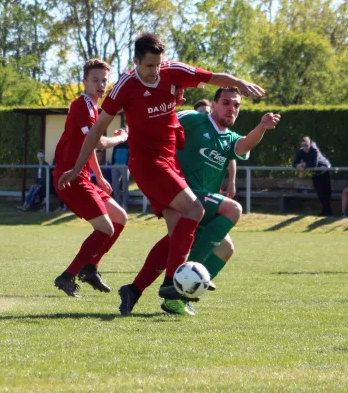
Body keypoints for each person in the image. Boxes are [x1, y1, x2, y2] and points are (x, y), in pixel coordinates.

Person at [57, 33, 264, 304]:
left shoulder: (172, 72)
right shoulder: (124, 87)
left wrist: (238, 82)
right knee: (195, 210)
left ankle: (133, 290)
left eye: (158, 65)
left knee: (176, 234)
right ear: (136, 62)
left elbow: (213, 77)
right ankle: (172, 283)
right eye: (148, 66)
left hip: (169, 162)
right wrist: (76, 168)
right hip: (147, 163)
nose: (154, 71)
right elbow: (96, 130)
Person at [118, 87, 280, 315]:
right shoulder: (195, 119)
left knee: (224, 248)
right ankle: (185, 278)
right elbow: (164, 121)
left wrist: (262, 127)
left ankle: (139, 291)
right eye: (225, 102)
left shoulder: (229, 139)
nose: (231, 108)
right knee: (233, 209)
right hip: (181, 191)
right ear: (213, 104)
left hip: (201, 203)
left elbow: (245, 144)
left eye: (236, 105)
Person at [52, 59, 129, 297]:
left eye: (104, 80)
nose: (100, 84)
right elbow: (97, 142)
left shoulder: (93, 108)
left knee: (120, 217)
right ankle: (68, 276)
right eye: (95, 80)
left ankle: (91, 267)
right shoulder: (83, 105)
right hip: (70, 178)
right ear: (84, 82)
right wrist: (121, 138)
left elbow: (88, 147)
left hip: (84, 177)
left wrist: (99, 176)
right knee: (105, 227)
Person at [292, 136, 333, 216]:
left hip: (324, 171)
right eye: (303, 146)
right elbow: (294, 164)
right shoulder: (301, 151)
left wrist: (303, 164)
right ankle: (325, 211)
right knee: (319, 193)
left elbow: (314, 164)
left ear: (310, 144)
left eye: (306, 145)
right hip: (315, 173)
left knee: (326, 193)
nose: (305, 148)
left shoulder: (314, 150)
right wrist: (298, 166)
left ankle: (329, 212)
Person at [110, 132, 130, 209]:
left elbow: (130, 153)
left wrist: (128, 163)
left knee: (125, 185)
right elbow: (113, 153)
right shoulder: (117, 141)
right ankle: (118, 203)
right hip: (115, 165)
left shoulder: (128, 141)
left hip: (124, 166)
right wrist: (112, 163)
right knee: (115, 185)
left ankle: (125, 204)